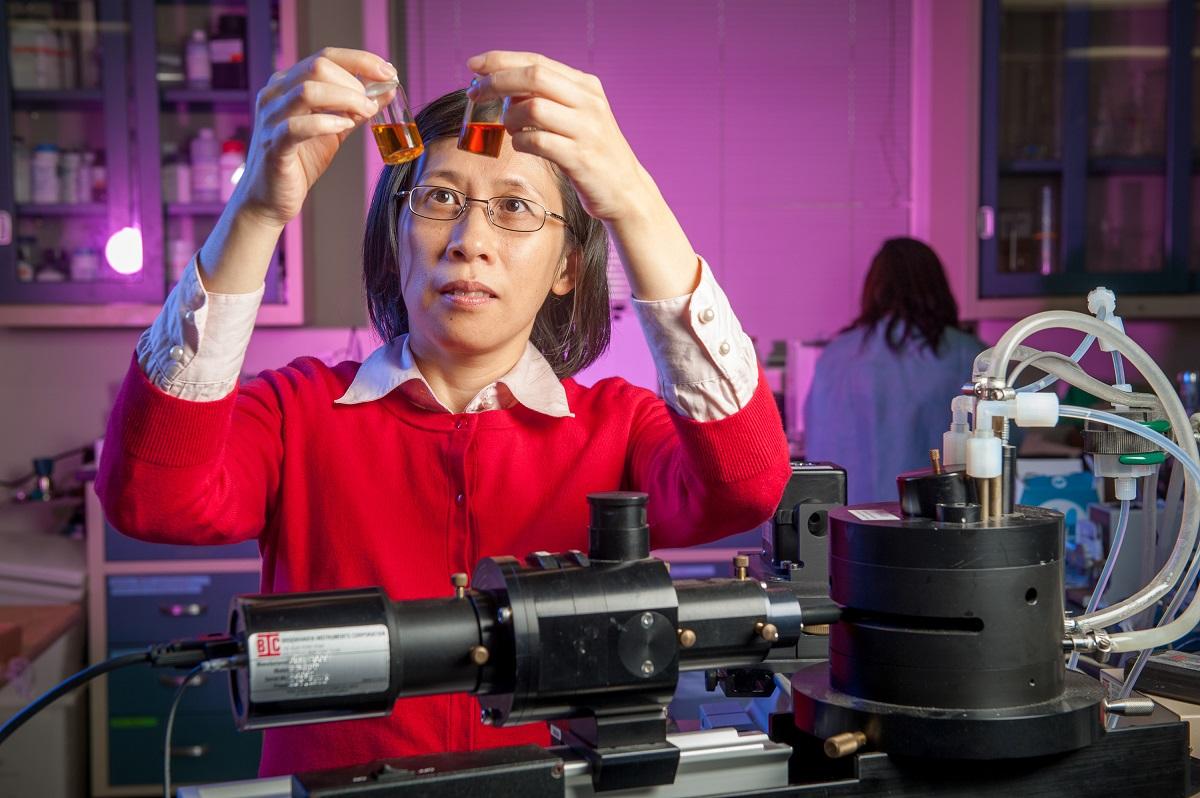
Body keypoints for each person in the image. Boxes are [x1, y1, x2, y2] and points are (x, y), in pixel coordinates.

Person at [95, 48, 789, 776]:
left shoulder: (619, 427)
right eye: (439, 201)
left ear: (566, 269)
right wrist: (257, 209)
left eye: (515, 208)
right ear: (397, 241)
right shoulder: (298, 411)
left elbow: (744, 487)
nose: (469, 242)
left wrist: (635, 201)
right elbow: (152, 500)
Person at [803, 237, 984, 506]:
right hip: (937, 526)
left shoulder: (836, 354)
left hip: (848, 525)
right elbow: (1004, 443)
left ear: (873, 288)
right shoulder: (969, 355)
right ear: (938, 288)